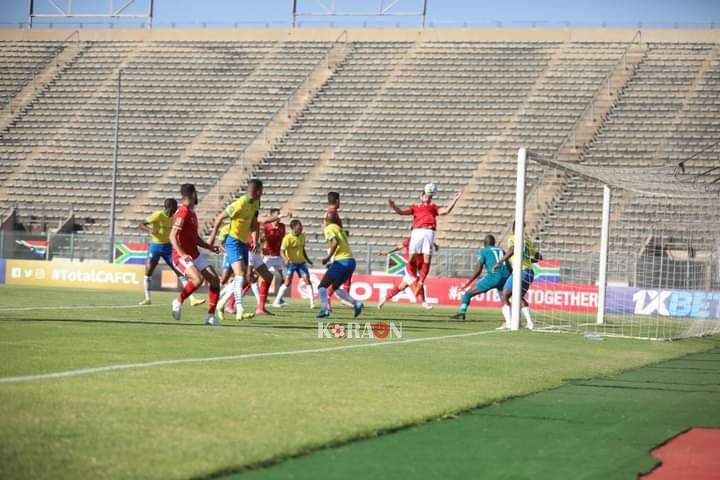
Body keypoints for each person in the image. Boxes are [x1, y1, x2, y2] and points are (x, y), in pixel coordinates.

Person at [207, 179, 286, 320]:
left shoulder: (256, 203)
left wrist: (255, 240)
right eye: (262, 191)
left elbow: (255, 223)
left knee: (244, 278)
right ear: (257, 191)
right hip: (233, 242)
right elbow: (220, 217)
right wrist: (212, 236)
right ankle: (239, 308)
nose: (263, 193)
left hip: (244, 243)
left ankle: (222, 304)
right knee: (241, 275)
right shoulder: (240, 204)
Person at [388, 184, 462, 295]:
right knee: (411, 258)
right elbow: (401, 212)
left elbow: (446, 211)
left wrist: (455, 200)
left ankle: (420, 283)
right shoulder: (415, 207)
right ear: (421, 197)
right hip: (416, 232)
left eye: (428, 195)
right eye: (425, 195)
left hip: (429, 231)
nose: (427, 197)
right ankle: (414, 279)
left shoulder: (434, 207)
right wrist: (393, 206)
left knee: (427, 259)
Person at [169, 184, 222, 326]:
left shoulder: (192, 214)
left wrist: (210, 247)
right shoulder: (183, 212)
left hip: (195, 255)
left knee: (215, 281)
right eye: (196, 193)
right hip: (181, 256)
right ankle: (178, 300)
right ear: (192, 194)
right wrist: (182, 254)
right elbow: (172, 236)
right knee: (197, 280)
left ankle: (210, 316)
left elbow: (195, 238)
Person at [138, 198, 205, 306]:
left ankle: (192, 299)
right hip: (155, 246)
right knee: (148, 270)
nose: (175, 210)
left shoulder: (174, 217)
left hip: (168, 247)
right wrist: (150, 230)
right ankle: (147, 298)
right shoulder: (157, 215)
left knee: (179, 271)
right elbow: (141, 224)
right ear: (168, 208)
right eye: (173, 208)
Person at [493, 223, 542, 330]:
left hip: (520, 271)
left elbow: (511, 250)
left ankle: (509, 323)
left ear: (513, 229)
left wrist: (500, 262)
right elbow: (538, 257)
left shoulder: (514, 238)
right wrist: (527, 258)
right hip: (529, 272)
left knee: (505, 294)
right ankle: (530, 323)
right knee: (517, 296)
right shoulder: (528, 242)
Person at [451, 234, 510, 321]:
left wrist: (468, 283)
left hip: (494, 277)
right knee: (505, 300)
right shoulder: (501, 250)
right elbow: (509, 265)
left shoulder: (484, 251)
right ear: (494, 243)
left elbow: (478, 270)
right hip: (506, 276)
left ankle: (461, 313)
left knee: (468, 294)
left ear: (484, 244)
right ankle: (511, 320)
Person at [317, 212, 363, 319]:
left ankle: (324, 310)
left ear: (326, 220)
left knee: (322, 286)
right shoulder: (338, 228)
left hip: (341, 261)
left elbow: (335, 242)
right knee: (335, 288)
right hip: (350, 261)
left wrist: (328, 258)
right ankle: (356, 303)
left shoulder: (329, 228)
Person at [377, 237, 438, 310]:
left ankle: (384, 298)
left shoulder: (425, 241)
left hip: (418, 268)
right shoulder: (409, 241)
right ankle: (424, 302)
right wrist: (387, 252)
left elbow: (430, 242)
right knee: (417, 282)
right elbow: (398, 247)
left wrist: (435, 246)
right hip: (411, 268)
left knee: (401, 286)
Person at [273, 219, 314, 308]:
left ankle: (312, 303)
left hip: (301, 263)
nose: (301, 229)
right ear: (293, 228)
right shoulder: (287, 238)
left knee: (307, 280)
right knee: (287, 283)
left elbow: (303, 249)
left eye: (301, 227)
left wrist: (308, 259)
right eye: (299, 227)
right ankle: (276, 301)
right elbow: (281, 251)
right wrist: (285, 259)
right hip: (291, 263)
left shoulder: (302, 236)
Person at [262, 208, 287, 305]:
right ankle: (262, 297)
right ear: (272, 216)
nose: (279, 216)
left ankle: (279, 299)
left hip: (277, 257)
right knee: (258, 276)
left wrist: (284, 257)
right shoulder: (266, 226)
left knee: (285, 278)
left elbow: (281, 242)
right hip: (268, 256)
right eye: (277, 214)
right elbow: (262, 240)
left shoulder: (282, 226)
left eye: (280, 214)